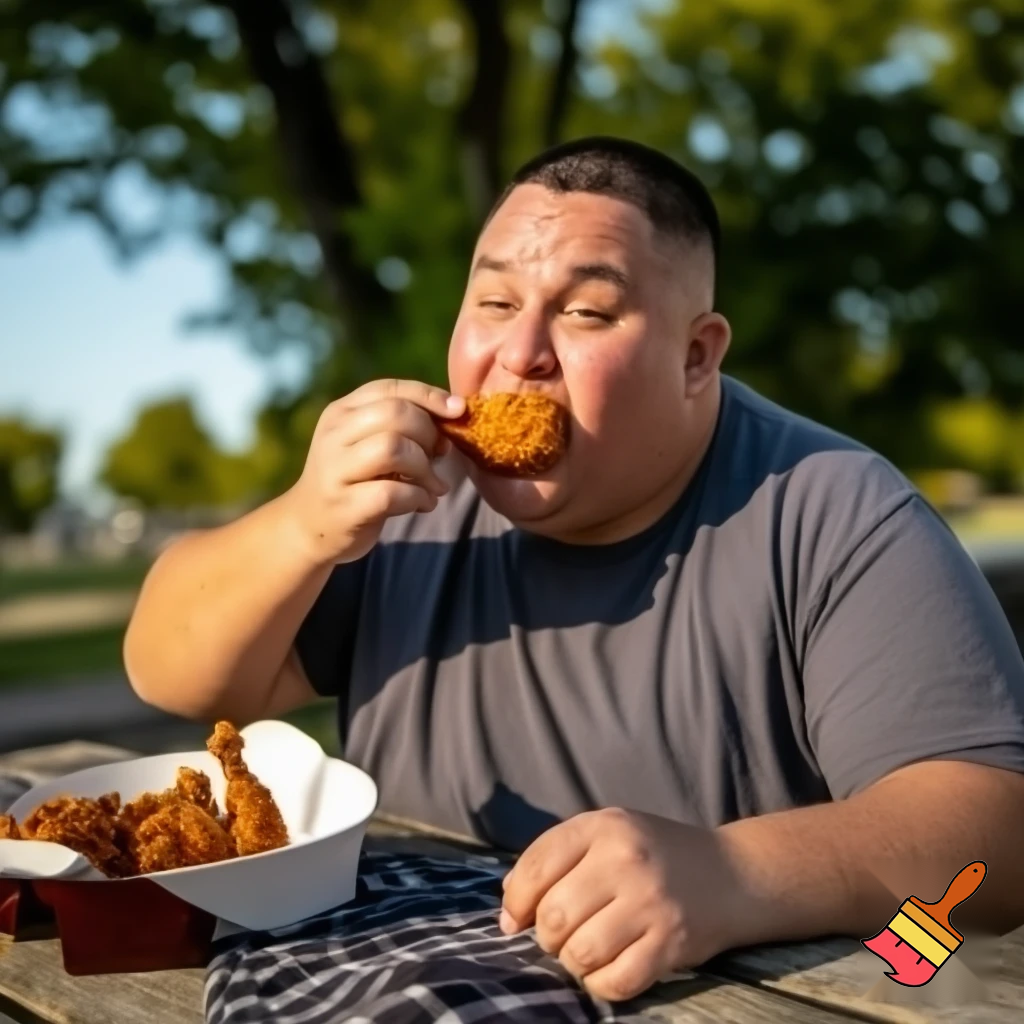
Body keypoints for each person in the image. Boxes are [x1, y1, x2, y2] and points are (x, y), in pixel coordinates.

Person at [124, 136, 1024, 1003]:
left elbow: (997, 834)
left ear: (695, 356)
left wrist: (735, 872)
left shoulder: (830, 508)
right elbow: (175, 673)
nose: (520, 356)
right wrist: (302, 525)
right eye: (494, 304)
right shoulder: (404, 498)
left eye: (586, 311)